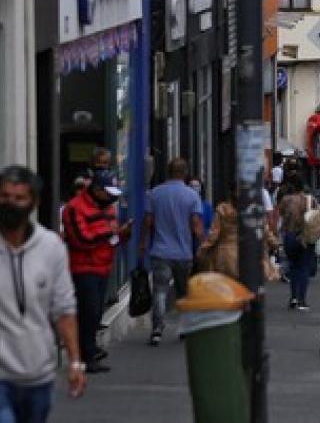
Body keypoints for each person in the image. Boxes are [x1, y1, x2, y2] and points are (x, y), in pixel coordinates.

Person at [0, 165, 87, 418]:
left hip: (37, 372)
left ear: (33, 202)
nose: (10, 204)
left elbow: (64, 309)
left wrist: (74, 362)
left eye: (19, 198)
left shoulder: (50, 247)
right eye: (4, 196)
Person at [61, 171, 128, 373]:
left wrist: (121, 234)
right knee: (88, 312)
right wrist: (110, 232)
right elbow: (81, 239)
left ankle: (89, 350)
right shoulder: (74, 208)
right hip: (84, 267)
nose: (112, 197)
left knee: (95, 312)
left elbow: (109, 235)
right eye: (108, 193)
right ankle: (86, 354)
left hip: (102, 266)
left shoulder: (108, 207)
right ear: (97, 190)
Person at [142, 158, 204, 346]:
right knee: (183, 292)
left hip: (160, 250)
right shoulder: (192, 196)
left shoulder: (155, 193)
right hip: (183, 253)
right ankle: (185, 328)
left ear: (168, 172)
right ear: (185, 173)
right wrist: (203, 245)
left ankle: (157, 330)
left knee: (159, 291)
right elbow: (196, 226)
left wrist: (143, 243)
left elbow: (148, 222)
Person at [278, 173, 318, 311]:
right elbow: (316, 217)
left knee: (293, 266)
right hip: (305, 236)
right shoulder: (310, 199)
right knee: (304, 268)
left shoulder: (286, 200)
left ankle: (293, 297)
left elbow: (281, 214)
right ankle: (302, 299)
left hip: (290, 235)